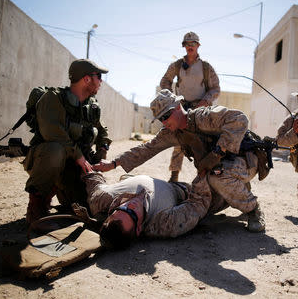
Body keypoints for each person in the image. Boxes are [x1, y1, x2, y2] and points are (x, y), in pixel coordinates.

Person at [93, 89, 265, 234]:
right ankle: (239, 190)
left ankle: (253, 209)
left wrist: (217, 153)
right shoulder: (171, 133)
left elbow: (239, 119)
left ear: (178, 106)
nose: (165, 122)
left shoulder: (202, 117)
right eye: (161, 118)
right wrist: (114, 163)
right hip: (220, 167)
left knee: (217, 177)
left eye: (167, 115)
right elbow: (146, 149)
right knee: (203, 205)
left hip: (246, 160)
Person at [22, 59, 112, 227]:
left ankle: (61, 191)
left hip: (73, 168)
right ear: (86, 79)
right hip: (47, 160)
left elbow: (102, 131)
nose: (101, 81)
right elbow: (53, 134)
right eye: (98, 77)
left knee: (86, 207)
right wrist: (78, 156)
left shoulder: (90, 106)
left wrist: (102, 150)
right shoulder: (53, 99)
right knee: (55, 149)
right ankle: (36, 210)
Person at [160, 31, 220, 182]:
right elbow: (165, 81)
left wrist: (204, 101)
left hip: (201, 109)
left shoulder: (206, 67)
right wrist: (172, 99)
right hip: (182, 107)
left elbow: (215, 88)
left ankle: (204, 176)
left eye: (193, 44)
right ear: (184, 46)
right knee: (179, 141)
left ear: (198, 46)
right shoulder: (177, 65)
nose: (190, 47)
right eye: (187, 44)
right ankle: (174, 176)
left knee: (204, 141)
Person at [76, 173, 191, 247]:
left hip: (134, 178)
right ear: (138, 229)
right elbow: (197, 207)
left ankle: (128, 178)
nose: (130, 205)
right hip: (174, 189)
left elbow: (93, 179)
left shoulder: (102, 200)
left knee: (124, 178)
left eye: (121, 208)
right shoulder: (163, 223)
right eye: (131, 213)